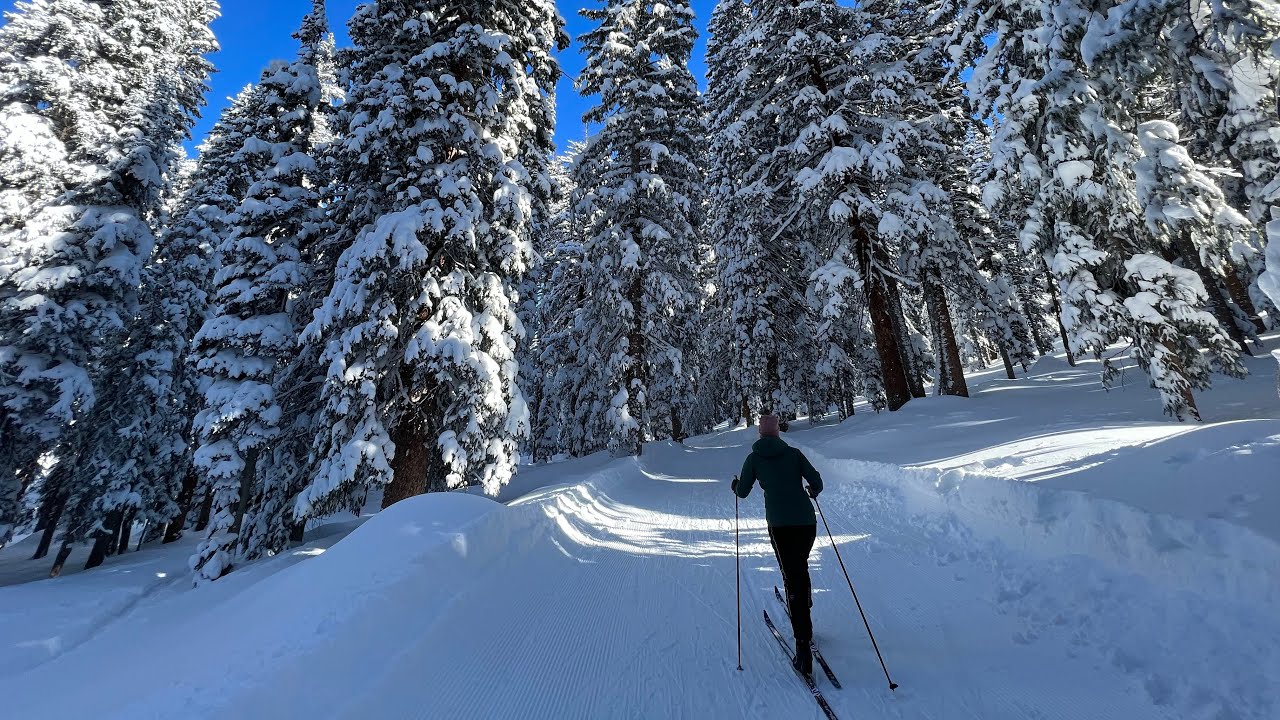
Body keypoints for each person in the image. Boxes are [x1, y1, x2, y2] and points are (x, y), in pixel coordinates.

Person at [732, 414, 823, 676]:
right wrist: (812, 491)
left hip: (780, 527)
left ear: (760, 434)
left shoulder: (754, 459)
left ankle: (803, 643)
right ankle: (804, 611)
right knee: (800, 568)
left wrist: (735, 484)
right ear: (778, 434)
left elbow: (743, 492)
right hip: (806, 523)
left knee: (791, 575)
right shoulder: (793, 454)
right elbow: (816, 481)